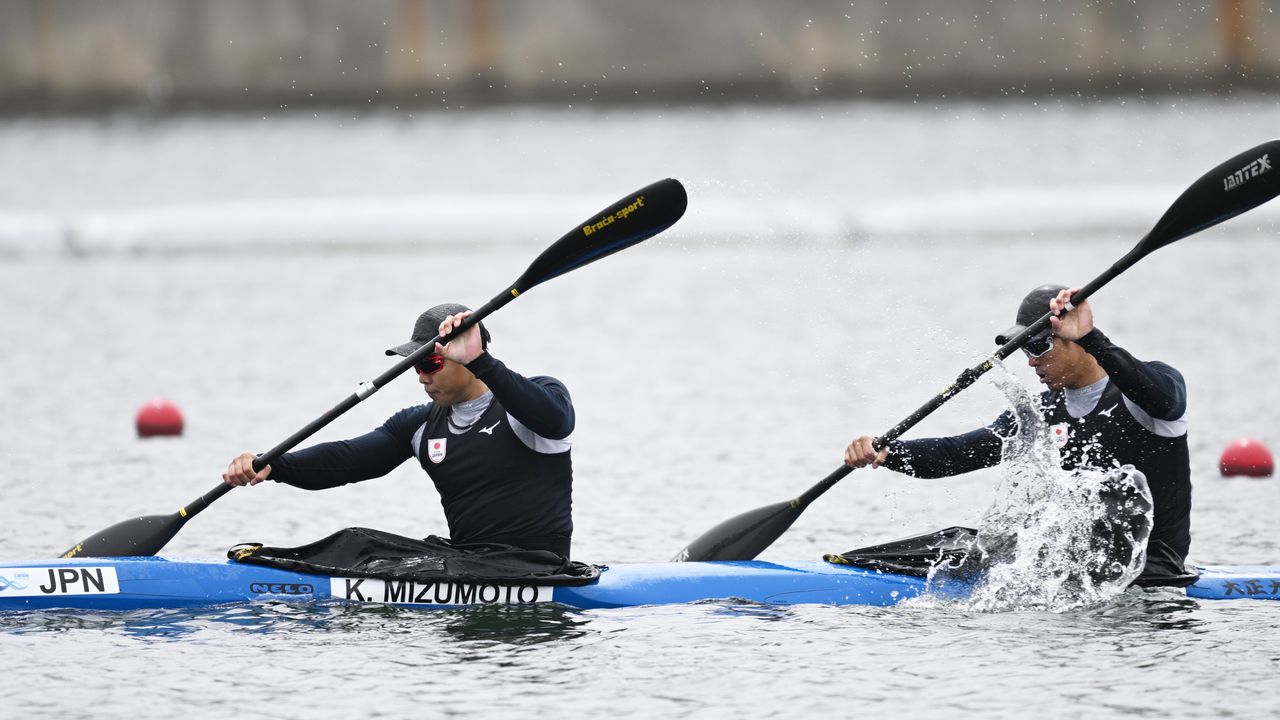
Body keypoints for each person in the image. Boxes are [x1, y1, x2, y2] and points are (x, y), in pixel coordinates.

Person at [843, 284, 1192, 579]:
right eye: (1025, 348)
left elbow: (1166, 401)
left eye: (1039, 346)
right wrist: (886, 452)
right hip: (1071, 563)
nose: (1030, 360)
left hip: (1149, 570)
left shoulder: (1144, 392)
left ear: (1075, 339)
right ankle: (847, 569)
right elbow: (956, 454)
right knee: (955, 544)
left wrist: (1093, 337)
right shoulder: (1039, 414)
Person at [223, 303, 576, 558]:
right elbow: (348, 460)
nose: (421, 375)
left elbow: (556, 422)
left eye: (430, 362)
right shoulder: (420, 424)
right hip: (470, 564)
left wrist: (482, 361)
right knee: (358, 543)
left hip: (538, 569)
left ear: (467, 358)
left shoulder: (532, 399)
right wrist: (274, 466)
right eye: (414, 366)